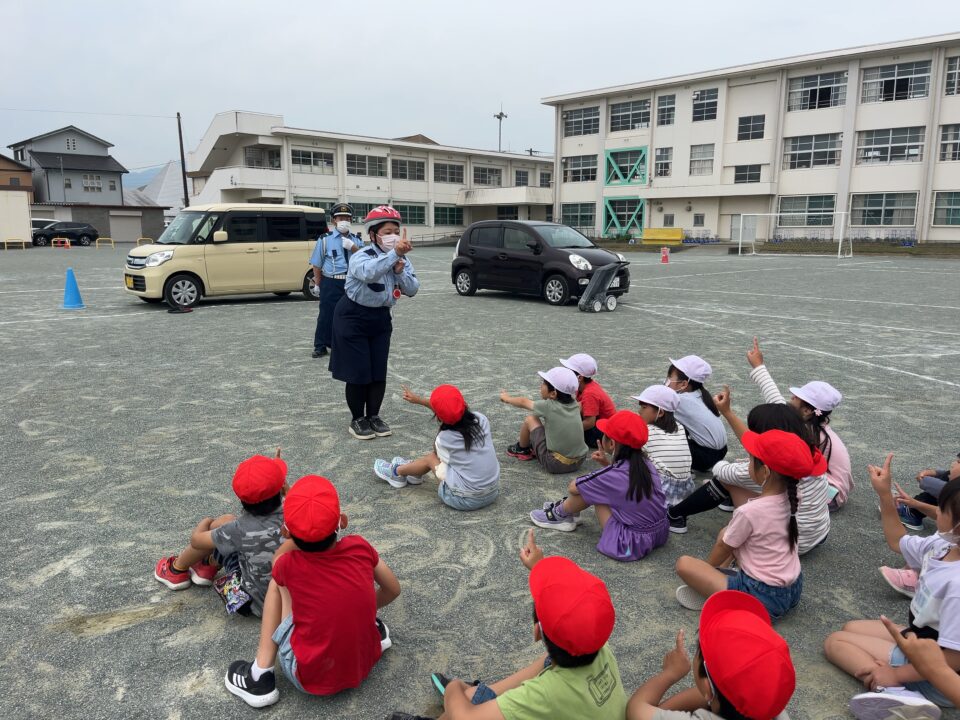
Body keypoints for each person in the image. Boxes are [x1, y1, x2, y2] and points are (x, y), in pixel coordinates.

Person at [395, 530, 626, 720]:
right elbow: (570, 609)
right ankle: (480, 694)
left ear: (537, 632)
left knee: (460, 706)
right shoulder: (599, 646)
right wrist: (539, 567)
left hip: (536, 703)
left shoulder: (545, 694)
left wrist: (455, 688)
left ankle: (468, 699)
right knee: (476, 695)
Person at [224, 474, 401, 707]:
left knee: (276, 583)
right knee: (344, 602)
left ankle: (260, 674)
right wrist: (365, 612)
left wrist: (295, 528)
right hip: (364, 661)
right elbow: (393, 589)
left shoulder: (288, 564)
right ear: (343, 521)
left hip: (306, 676)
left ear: (286, 533)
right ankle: (367, 627)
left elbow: (279, 559)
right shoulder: (360, 547)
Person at [824, 458, 960, 719]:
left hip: (939, 673)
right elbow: (898, 541)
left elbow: (954, 659)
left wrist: (895, 672)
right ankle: (893, 673)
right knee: (850, 628)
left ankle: (897, 692)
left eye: (941, 509)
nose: (935, 511)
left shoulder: (957, 586)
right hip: (925, 640)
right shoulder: (943, 545)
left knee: (835, 642)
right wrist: (885, 494)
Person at [675, 429, 825, 622]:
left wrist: (707, 571)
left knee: (684, 564)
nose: (747, 464)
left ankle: (716, 593)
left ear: (765, 472)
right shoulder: (795, 496)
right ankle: (718, 586)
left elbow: (724, 546)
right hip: (793, 588)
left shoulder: (750, 512)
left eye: (750, 460)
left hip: (760, 596)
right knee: (727, 532)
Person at [668, 391, 831, 555]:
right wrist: (727, 412)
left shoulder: (767, 469)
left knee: (725, 481)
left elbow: (722, 471)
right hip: (817, 534)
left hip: (791, 544)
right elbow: (758, 446)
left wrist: (736, 464)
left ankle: (674, 515)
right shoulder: (808, 452)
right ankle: (728, 501)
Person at [153, 453, 287, 617]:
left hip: (249, 605)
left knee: (223, 524)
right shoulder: (294, 515)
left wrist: (205, 522)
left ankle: (176, 570)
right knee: (235, 541)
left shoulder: (238, 529)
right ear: (281, 489)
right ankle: (207, 564)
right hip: (289, 603)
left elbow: (197, 541)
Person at [626, 591, 795, 720]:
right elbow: (715, 693)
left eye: (700, 649)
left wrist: (670, 673)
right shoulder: (771, 707)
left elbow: (636, 710)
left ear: (708, 688)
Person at [529, 410, 669, 562]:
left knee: (592, 491)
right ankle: (569, 512)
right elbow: (622, 480)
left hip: (628, 546)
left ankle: (559, 514)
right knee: (601, 489)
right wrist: (607, 464)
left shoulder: (611, 474)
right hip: (659, 532)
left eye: (604, 433)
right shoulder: (646, 464)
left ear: (612, 443)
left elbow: (573, 487)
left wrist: (605, 470)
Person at [329, 206, 419, 440]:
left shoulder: (402, 259)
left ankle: (374, 416)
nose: (394, 236)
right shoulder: (362, 256)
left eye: (396, 231)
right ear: (373, 235)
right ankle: (357, 418)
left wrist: (400, 271)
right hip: (353, 316)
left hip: (380, 317)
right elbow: (369, 274)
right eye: (388, 231)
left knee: (378, 370)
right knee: (358, 370)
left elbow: (413, 288)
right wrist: (393, 257)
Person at [745, 338, 852, 511]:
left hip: (829, 495)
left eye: (796, 397)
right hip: (830, 487)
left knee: (769, 477)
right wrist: (758, 366)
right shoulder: (812, 426)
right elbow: (776, 401)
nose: (791, 398)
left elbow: (777, 406)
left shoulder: (806, 432)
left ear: (807, 411)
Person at [373, 384, 500, 511]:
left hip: (465, 500)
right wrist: (419, 400)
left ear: (438, 417)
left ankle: (397, 472)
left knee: (430, 458)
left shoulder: (444, 438)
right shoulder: (481, 419)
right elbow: (450, 411)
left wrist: (441, 426)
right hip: (492, 491)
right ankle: (413, 473)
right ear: (464, 403)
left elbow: (437, 455)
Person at [501, 367, 589, 474]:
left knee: (531, 419)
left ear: (553, 394)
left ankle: (522, 449)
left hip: (556, 464)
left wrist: (507, 398)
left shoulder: (549, 406)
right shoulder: (575, 404)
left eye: (544, 383)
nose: (541, 386)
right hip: (579, 460)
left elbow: (523, 401)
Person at [311, 203, 362, 359]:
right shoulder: (325, 240)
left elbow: (365, 260)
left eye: (347, 218)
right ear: (334, 220)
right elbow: (317, 264)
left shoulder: (357, 240)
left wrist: (353, 248)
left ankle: (343, 344)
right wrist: (318, 284)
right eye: (341, 218)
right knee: (327, 314)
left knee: (350, 315)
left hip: (352, 282)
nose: (344, 220)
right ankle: (320, 345)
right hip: (332, 281)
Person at [632, 385, 694, 508]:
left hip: (662, 490)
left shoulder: (646, 430)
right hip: (686, 489)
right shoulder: (679, 427)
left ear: (660, 413)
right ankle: (676, 514)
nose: (639, 411)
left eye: (644, 407)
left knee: (634, 458)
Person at [882, 615, 960, 709]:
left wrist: (895, 674)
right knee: (859, 629)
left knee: (859, 646)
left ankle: (902, 697)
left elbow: (954, 659)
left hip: (940, 684)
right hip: (920, 640)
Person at [664, 355, 727, 472]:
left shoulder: (679, 400)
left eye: (669, 377)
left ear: (683, 384)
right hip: (721, 452)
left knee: (659, 420)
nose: (666, 380)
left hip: (705, 457)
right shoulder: (701, 394)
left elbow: (652, 410)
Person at [559, 353, 616, 448]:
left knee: (567, 430)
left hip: (603, 434)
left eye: (568, 372)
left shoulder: (589, 393)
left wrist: (568, 430)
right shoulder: (584, 386)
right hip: (600, 424)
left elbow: (589, 423)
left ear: (580, 378)